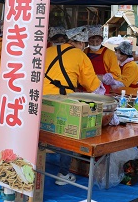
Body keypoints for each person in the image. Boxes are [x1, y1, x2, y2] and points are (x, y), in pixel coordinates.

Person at [43, 26, 105, 186]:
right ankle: (63, 174)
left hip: (41, 99)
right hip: (61, 101)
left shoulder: (47, 51)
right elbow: (93, 86)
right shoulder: (80, 55)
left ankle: (36, 167)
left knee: (41, 133)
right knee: (67, 135)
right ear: (81, 43)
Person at [84, 25, 121, 94]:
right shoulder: (85, 52)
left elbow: (117, 74)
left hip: (102, 88)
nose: (95, 44)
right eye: (92, 41)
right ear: (87, 41)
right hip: (86, 85)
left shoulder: (109, 53)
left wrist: (102, 77)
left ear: (101, 40)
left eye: (97, 41)